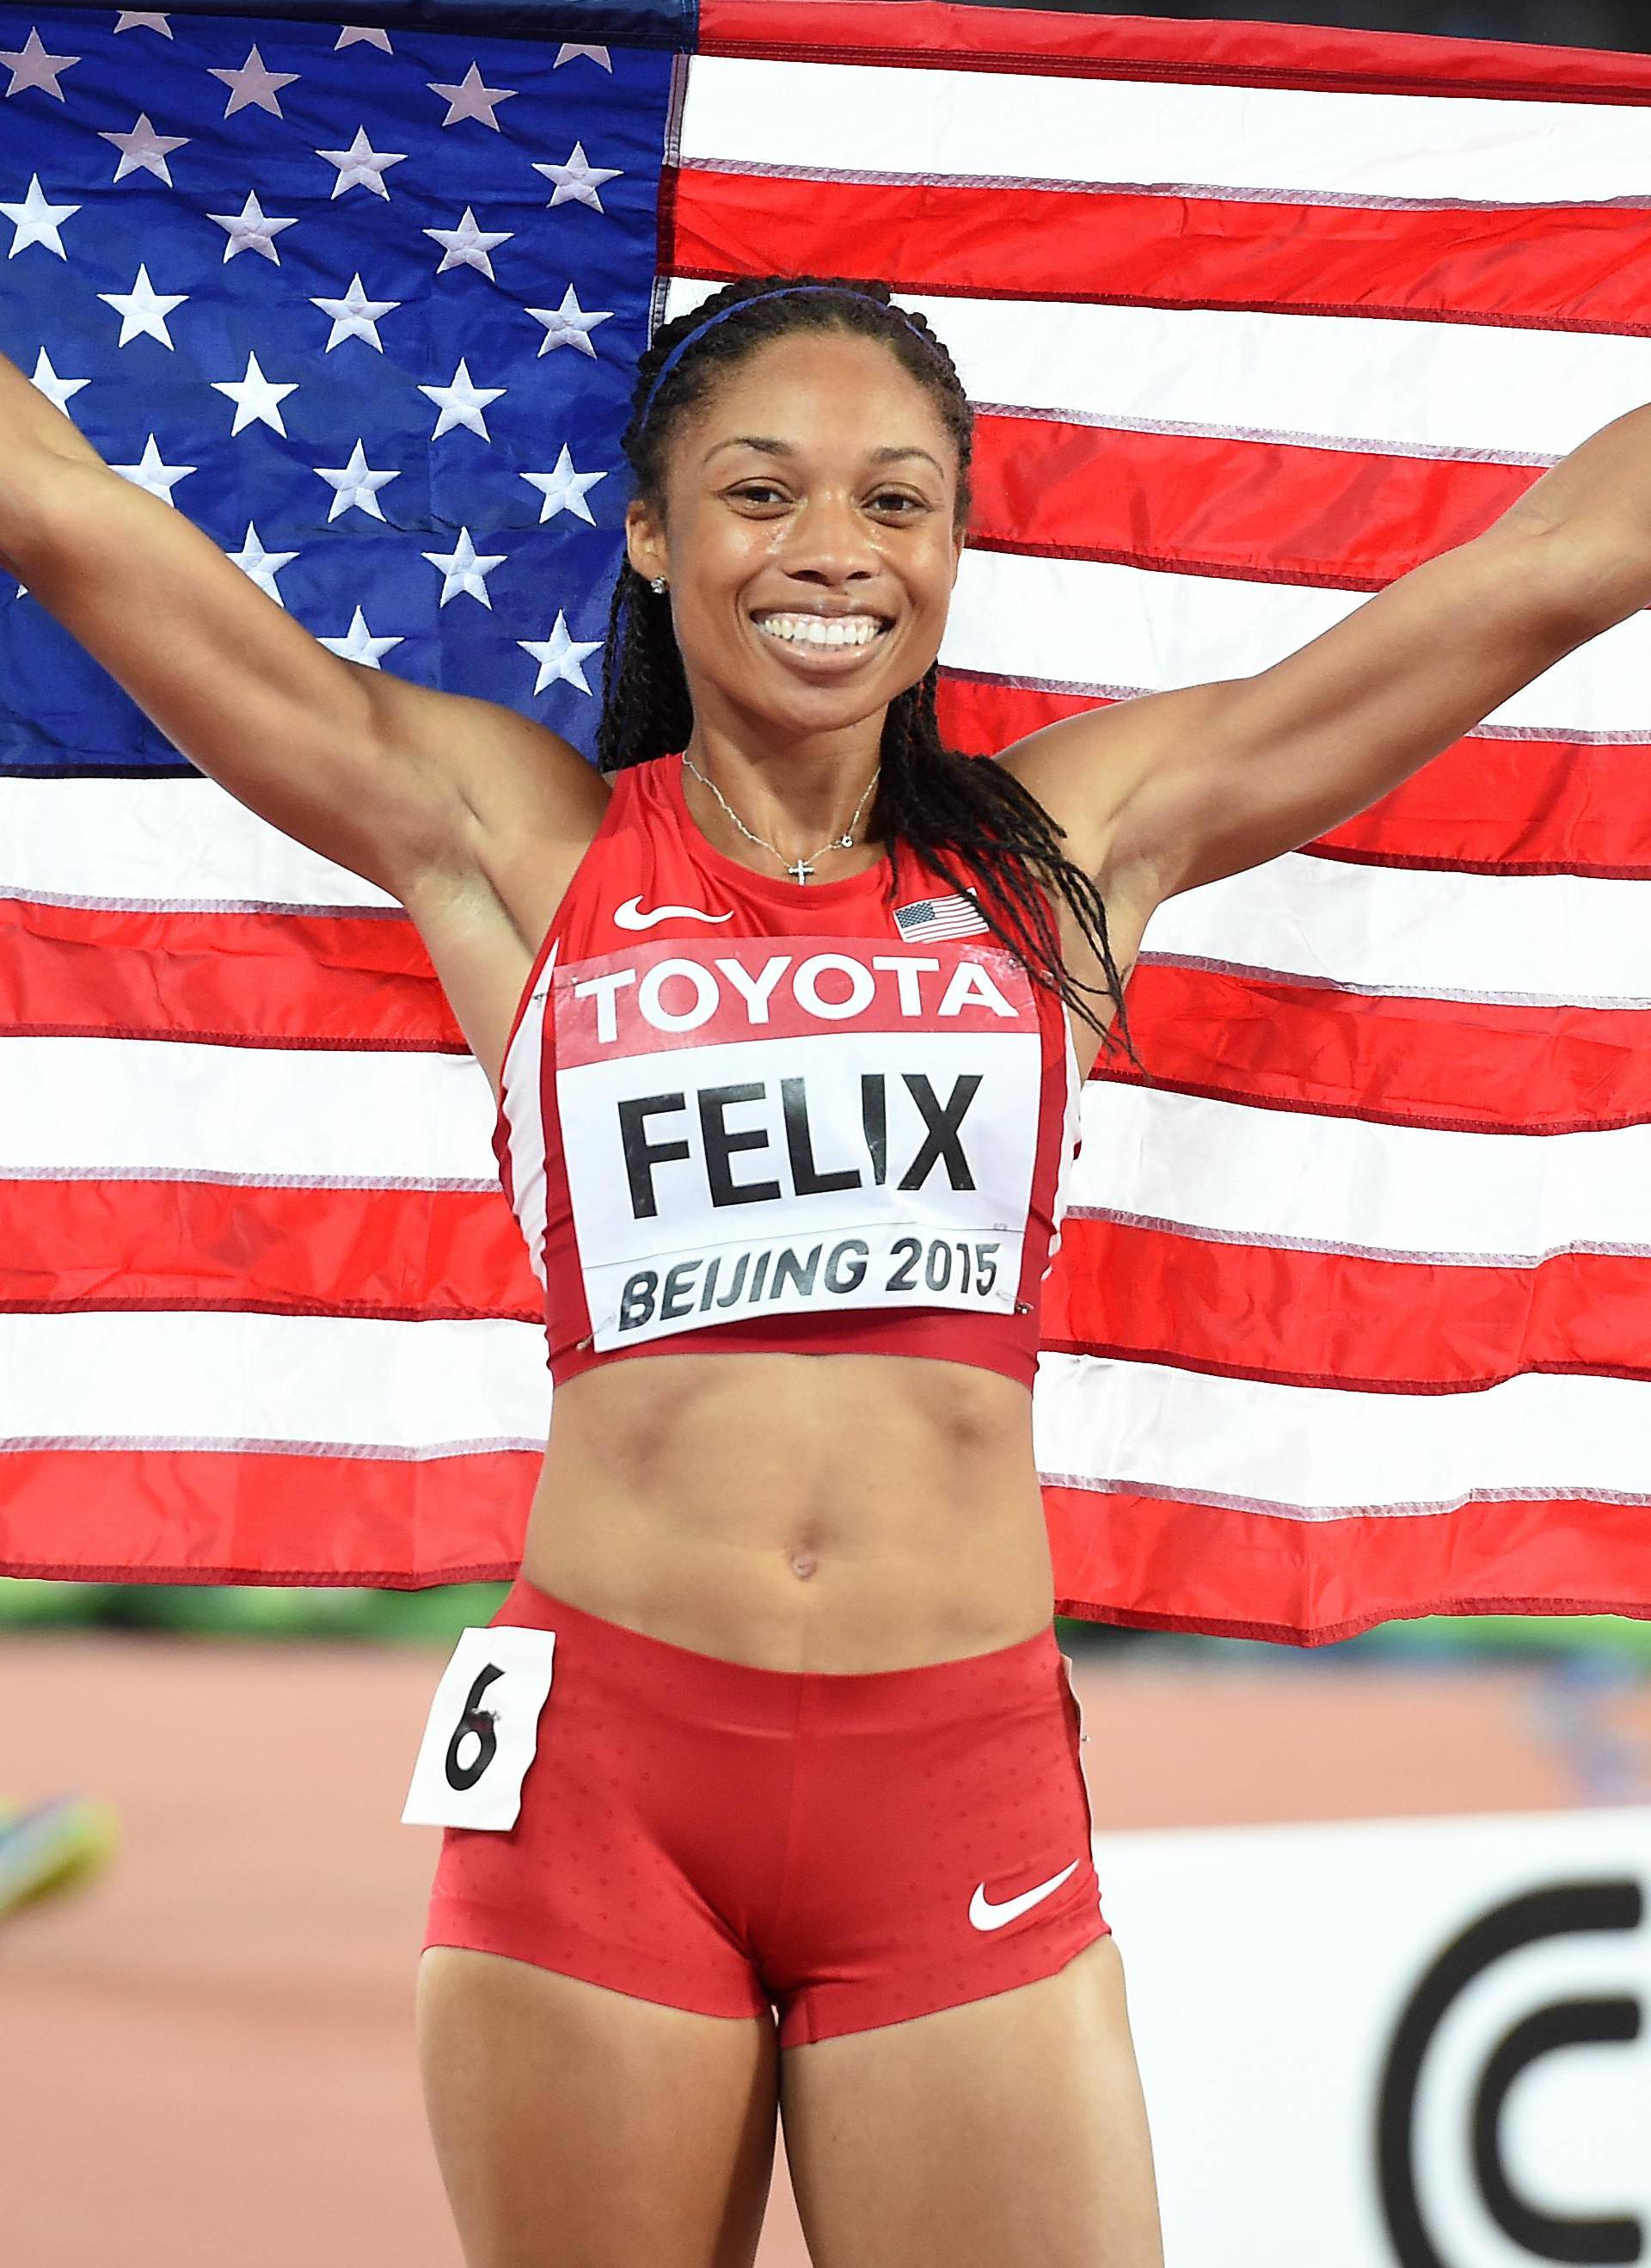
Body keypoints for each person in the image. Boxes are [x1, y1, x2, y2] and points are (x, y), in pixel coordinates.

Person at [0, 267, 1640, 2268]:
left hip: (951, 1784)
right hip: (601, 1785)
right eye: (763, 492)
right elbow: (68, 508)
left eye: (900, 500)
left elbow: (1548, 569)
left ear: (956, 540)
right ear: (651, 528)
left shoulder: (1062, 863)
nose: (835, 553)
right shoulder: (518, 844)